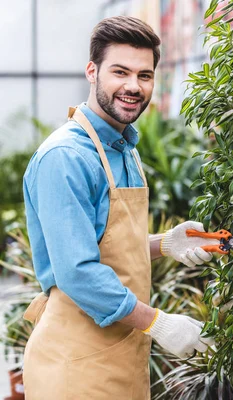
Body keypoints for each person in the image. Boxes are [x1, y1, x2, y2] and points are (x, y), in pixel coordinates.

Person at [21, 16, 216, 399]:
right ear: (92, 71)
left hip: (121, 356)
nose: (133, 86)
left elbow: (104, 243)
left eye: (145, 75)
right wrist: (159, 324)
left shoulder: (123, 148)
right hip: (74, 368)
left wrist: (165, 244)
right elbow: (77, 271)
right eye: (120, 72)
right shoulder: (66, 157)